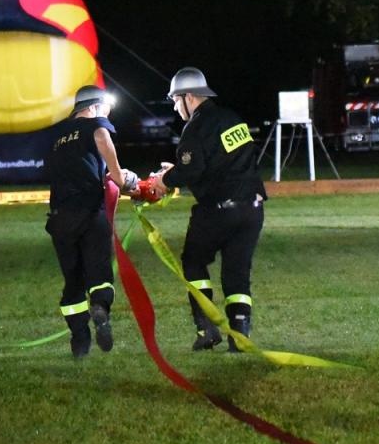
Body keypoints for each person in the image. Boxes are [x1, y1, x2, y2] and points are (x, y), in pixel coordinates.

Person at [145, 68, 267, 352]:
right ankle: (240, 336)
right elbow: (219, 163)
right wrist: (180, 171)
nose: (176, 108)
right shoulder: (231, 118)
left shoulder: (196, 127)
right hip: (252, 208)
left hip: (218, 210)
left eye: (176, 101)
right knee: (237, 273)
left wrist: (164, 179)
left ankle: (206, 328)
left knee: (193, 262)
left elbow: (193, 168)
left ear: (188, 97)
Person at [44, 85, 139, 358]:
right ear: (94, 107)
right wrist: (119, 175)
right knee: (99, 273)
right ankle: (100, 307)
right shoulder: (95, 123)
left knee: (72, 281)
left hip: (60, 217)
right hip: (90, 211)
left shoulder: (58, 136)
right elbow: (101, 135)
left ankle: (80, 342)